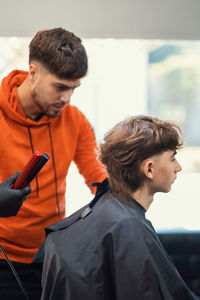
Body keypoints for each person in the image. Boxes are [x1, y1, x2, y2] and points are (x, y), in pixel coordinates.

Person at [34, 115, 200, 299]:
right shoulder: (128, 227)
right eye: (172, 159)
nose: (178, 167)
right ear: (149, 169)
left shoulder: (101, 211)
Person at [0, 27, 106, 299]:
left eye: (73, 89)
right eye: (60, 87)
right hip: (4, 260)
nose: (67, 99)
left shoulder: (75, 121)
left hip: (51, 256)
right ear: (33, 73)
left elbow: (98, 178)